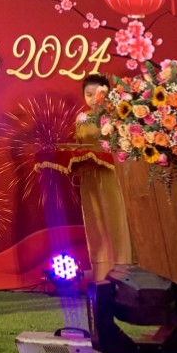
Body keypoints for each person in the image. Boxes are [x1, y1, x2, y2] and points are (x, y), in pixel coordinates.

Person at [74, 74, 133, 283]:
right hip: (89, 176)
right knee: (95, 223)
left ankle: (124, 271)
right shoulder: (81, 119)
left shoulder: (117, 115)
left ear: (107, 93)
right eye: (88, 94)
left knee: (116, 220)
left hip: (112, 175)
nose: (92, 98)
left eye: (97, 93)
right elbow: (78, 147)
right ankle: (101, 275)